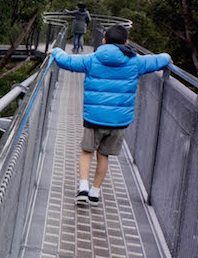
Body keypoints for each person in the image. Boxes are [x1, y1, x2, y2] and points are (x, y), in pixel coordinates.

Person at [52, 25, 170, 205]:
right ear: (126, 42)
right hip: (118, 120)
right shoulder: (136, 61)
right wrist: (167, 57)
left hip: (94, 117)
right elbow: (159, 60)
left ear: (104, 41)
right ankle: (95, 192)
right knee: (103, 155)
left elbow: (67, 62)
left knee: (86, 151)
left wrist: (57, 51)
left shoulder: (93, 59)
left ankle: (82, 187)